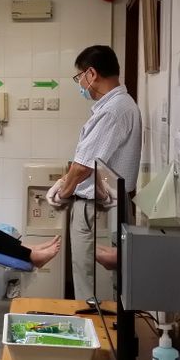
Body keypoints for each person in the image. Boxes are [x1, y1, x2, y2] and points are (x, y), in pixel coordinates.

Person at [46, 45, 142, 302]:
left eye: (79, 77)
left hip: (97, 207)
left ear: (92, 74)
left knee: (88, 282)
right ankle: (101, 321)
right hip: (109, 203)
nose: (80, 84)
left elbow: (83, 167)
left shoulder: (113, 110)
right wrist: (65, 181)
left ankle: (92, 323)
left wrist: (62, 194)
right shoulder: (120, 105)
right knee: (107, 281)